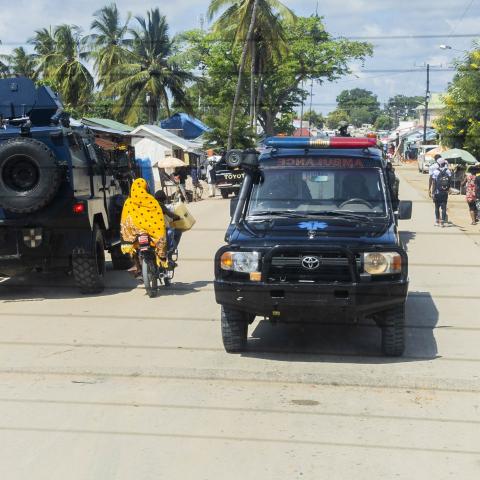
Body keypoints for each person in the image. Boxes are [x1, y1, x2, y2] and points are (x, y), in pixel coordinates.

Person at [120, 178, 167, 275]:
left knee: (133, 249)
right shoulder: (151, 200)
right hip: (151, 232)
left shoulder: (128, 202)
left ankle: (137, 267)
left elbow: (125, 219)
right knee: (161, 239)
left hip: (135, 233)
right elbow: (158, 217)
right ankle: (161, 260)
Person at [154, 190, 183, 256]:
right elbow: (169, 214)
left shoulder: (150, 203)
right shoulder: (160, 204)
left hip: (149, 228)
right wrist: (178, 217)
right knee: (176, 231)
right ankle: (170, 251)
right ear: (162, 199)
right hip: (160, 228)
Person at [430, 158, 452, 227]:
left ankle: (437, 221)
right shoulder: (448, 171)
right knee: (444, 207)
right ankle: (443, 222)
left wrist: (433, 192)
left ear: (439, 163)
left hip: (437, 192)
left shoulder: (435, 171)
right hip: (445, 192)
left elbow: (434, 183)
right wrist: (448, 189)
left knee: (437, 207)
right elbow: (449, 181)